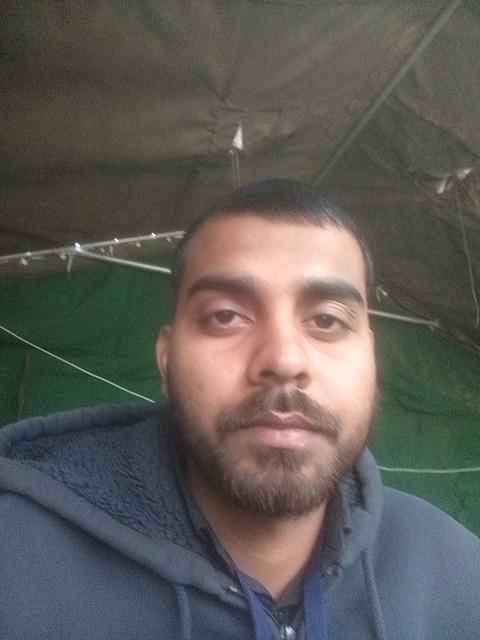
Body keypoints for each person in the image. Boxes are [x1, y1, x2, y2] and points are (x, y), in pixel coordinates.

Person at [0, 179, 479, 640]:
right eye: (226, 316)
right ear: (166, 360)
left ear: (371, 355)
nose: (284, 359)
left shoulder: (458, 575)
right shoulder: (19, 566)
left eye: (328, 320)